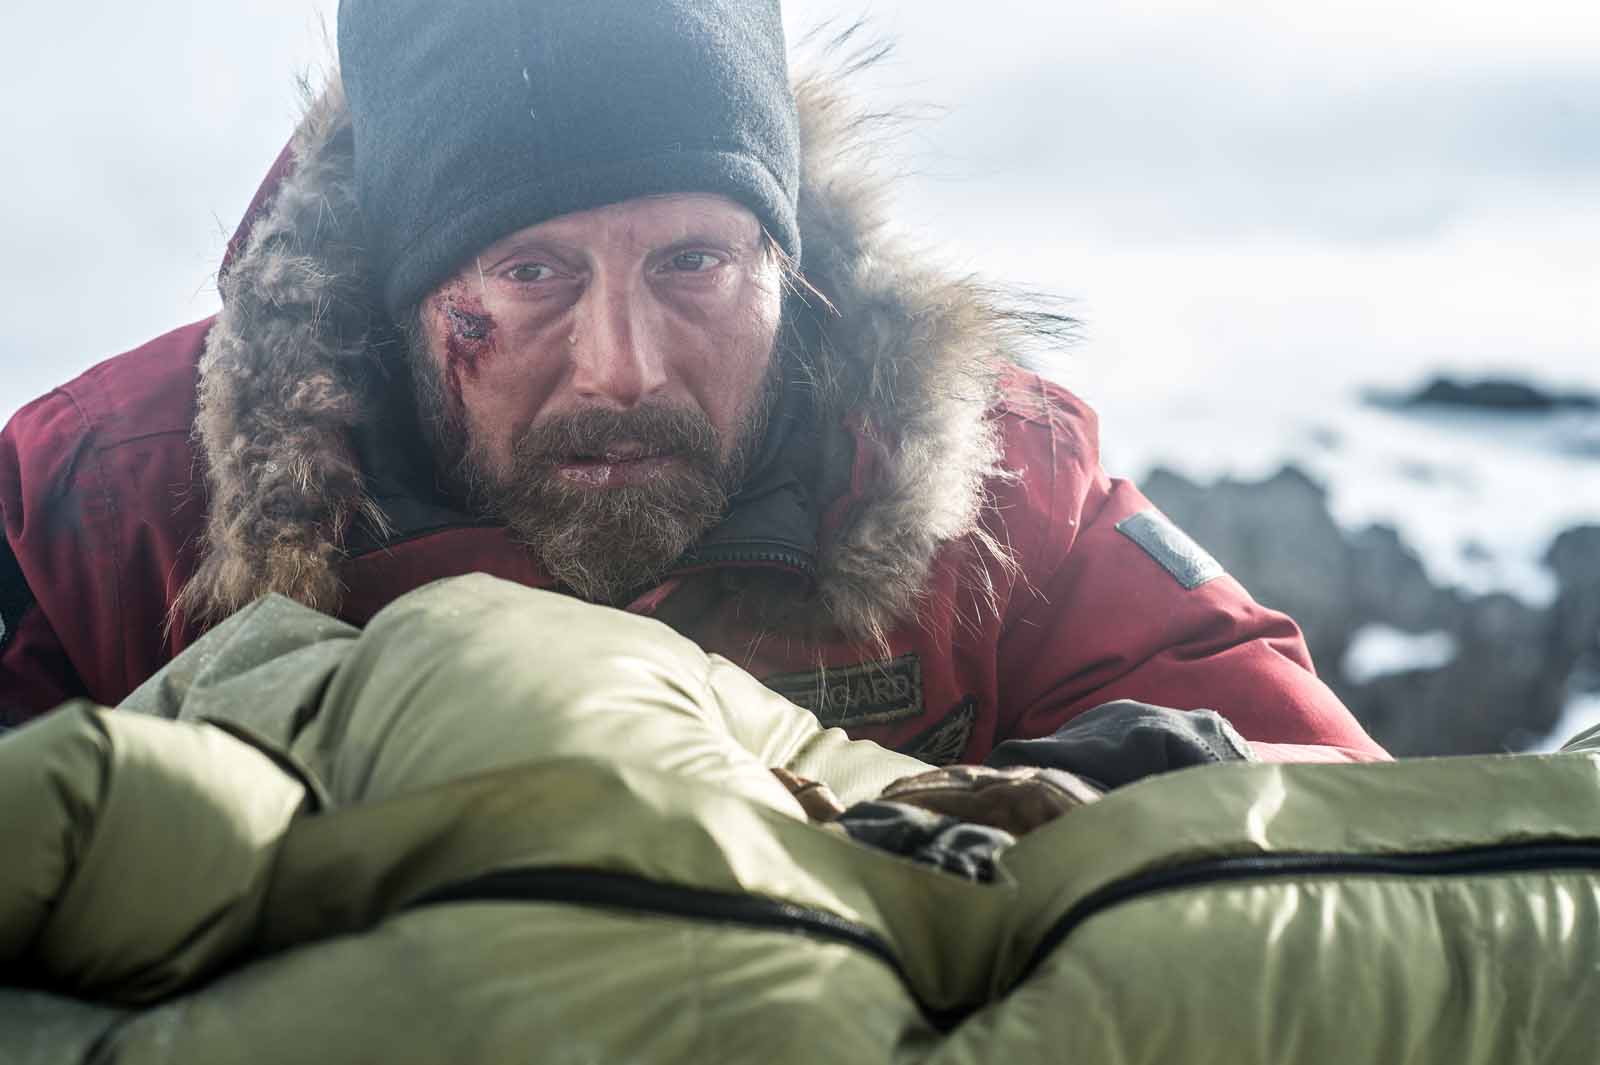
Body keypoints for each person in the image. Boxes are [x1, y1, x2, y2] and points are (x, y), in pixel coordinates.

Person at [0, 0, 1385, 764]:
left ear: (788, 265)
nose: (625, 366)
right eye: (530, 274)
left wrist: (1096, 817)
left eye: (694, 263)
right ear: (401, 290)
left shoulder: (990, 489)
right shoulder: (97, 519)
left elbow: (1333, 827)